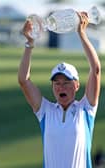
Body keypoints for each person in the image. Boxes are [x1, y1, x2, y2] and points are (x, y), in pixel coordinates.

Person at [18, 12, 101, 168]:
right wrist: (29, 43)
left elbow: (95, 69)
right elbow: (23, 80)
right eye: (57, 83)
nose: (61, 87)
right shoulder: (45, 111)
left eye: (66, 82)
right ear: (52, 87)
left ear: (76, 85)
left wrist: (82, 34)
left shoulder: (85, 109)